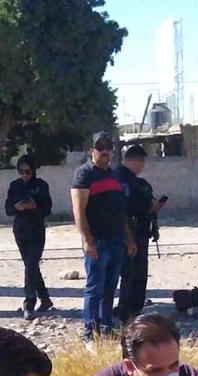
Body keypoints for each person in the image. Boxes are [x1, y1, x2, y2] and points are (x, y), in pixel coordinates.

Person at [71, 132, 136, 340]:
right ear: (91, 150)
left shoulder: (114, 176)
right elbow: (79, 211)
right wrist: (87, 240)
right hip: (97, 241)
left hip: (116, 240)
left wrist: (129, 239)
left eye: (108, 147)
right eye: (100, 147)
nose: (105, 151)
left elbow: (121, 211)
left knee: (109, 288)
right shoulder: (84, 174)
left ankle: (106, 328)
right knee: (94, 289)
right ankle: (90, 334)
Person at [115, 144, 166, 325]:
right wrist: (147, 207)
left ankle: (133, 309)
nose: (143, 165)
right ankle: (127, 311)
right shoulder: (121, 179)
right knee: (131, 273)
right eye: (141, 161)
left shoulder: (136, 182)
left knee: (138, 273)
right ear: (132, 161)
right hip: (130, 232)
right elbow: (125, 206)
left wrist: (152, 212)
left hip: (141, 230)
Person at [5, 154, 55, 321]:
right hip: (20, 231)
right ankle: (45, 298)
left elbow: (47, 209)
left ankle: (29, 303)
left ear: (33, 170)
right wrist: (17, 207)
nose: (25, 175)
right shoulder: (15, 186)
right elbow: (8, 209)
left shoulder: (41, 186)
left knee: (31, 265)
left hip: (37, 230)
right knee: (30, 266)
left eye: (28, 171)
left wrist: (35, 206)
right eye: (22, 171)